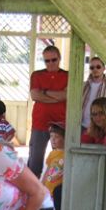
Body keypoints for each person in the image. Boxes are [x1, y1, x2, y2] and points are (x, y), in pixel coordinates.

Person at [28, 45, 68, 177]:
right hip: (40, 123)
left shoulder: (67, 76)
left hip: (61, 124)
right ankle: (32, 189)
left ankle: (57, 188)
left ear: (59, 58)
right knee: (35, 162)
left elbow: (66, 96)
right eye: (47, 60)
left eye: (54, 60)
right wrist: (57, 97)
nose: (51, 63)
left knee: (60, 161)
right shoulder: (37, 75)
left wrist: (44, 92)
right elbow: (35, 95)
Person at [40, 122, 65, 210]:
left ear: (65, 138)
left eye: (57, 137)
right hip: (48, 192)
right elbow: (48, 170)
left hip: (57, 193)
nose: (53, 140)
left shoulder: (67, 155)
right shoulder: (52, 154)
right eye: (51, 136)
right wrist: (41, 185)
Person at [81, 57, 106, 131]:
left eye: (98, 67)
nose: (95, 69)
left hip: (100, 128)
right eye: (92, 67)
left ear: (104, 68)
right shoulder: (83, 85)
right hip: (81, 125)